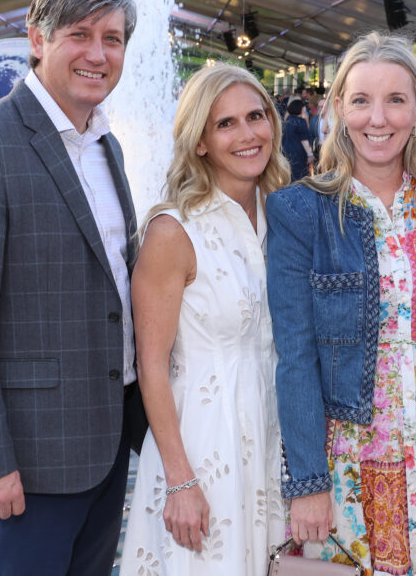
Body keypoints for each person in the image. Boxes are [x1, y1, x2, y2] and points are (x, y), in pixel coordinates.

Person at [0, 0, 145, 575]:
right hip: (28, 460)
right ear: (38, 39)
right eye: (80, 34)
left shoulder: (106, 146)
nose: (98, 54)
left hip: (104, 443)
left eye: (113, 39)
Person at [267, 32, 416, 576]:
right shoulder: (300, 211)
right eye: (361, 100)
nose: (378, 118)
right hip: (354, 452)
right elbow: (295, 356)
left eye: (395, 100)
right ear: (339, 108)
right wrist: (308, 483)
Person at [121, 64, 288, 572]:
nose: (248, 134)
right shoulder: (173, 231)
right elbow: (151, 365)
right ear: (199, 141)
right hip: (201, 447)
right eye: (225, 124)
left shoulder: (284, 216)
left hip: (273, 439)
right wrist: (181, 480)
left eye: (255, 116)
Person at [280, 98, 314, 180]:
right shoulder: (300, 121)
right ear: (300, 109)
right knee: (300, 175)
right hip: (299, 152)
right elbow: (304, 140)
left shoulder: (288, 120)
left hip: (287, 150)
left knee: (290, 175)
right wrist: (310, 154)